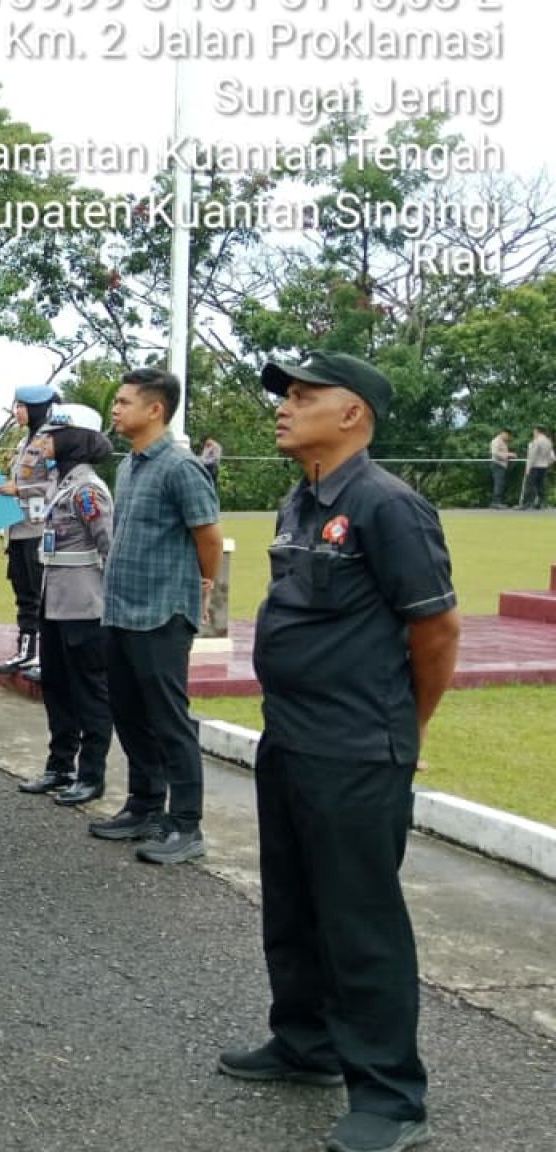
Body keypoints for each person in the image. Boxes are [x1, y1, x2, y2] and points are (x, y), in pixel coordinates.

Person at [223, 351, 460, 1152]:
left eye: (303, 395)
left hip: (356, 749)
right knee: (293, 903)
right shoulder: (303, 500)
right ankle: (306, 1042)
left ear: (353, 413)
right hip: (291, 736)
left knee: (361, 922)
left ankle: (392, 1098)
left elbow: (436, 629)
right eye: (286, 395)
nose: (285, 407)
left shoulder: (388, 506)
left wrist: (407, 728)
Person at [91, 368, 224, 865]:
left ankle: (186, 823)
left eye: (125, 401)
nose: (116, 408)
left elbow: (208, 537)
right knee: (128, 713)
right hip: (122, 611)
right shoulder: (129, 467)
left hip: (162, 613)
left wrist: (203, 586)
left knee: (169, 720)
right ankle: (144, 805)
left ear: (155, 409)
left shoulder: (180, 467)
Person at [16, 426, 116, 808]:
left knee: (89, 691)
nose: (41, 445)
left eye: (50, 438)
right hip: (54, 601)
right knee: (57, 687)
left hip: (83, 604)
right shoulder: (61, 483)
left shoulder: (87, 490)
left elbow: (108, 545)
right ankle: (60, 765)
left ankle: (92, 774)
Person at [0, 384, 58, 674]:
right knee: (22, 592)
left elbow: (56, 485)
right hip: (17, 529)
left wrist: (20, 490)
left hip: (39, 529)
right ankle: (25, 650)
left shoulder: (51, 441)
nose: (17, 411)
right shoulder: (24, 444)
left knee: (39, 594)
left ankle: (42, 654)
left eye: (22, 406)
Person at [523, 426, 553, 510]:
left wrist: (528, 467)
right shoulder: (548, 441)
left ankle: (526, 503)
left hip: (535, 466)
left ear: (537, 431)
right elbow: (551, 456)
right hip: (544, 466)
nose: (533, 433)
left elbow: (532, 455)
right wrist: (547, 463)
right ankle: (540, 503)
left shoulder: (537, 441)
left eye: (534, 431)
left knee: (529, 484)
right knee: (540, 485)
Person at [489, 429, 515, 508]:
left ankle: (498, 501)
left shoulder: (503, 442)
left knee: (501, 483)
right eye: (507, 435)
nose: (508, 438)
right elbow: (495, 453)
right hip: (497, 464)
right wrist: (509, 454)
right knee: (499, 483)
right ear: (503, 434)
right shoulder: (496, 441)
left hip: (502, 465)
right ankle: (496, 502)